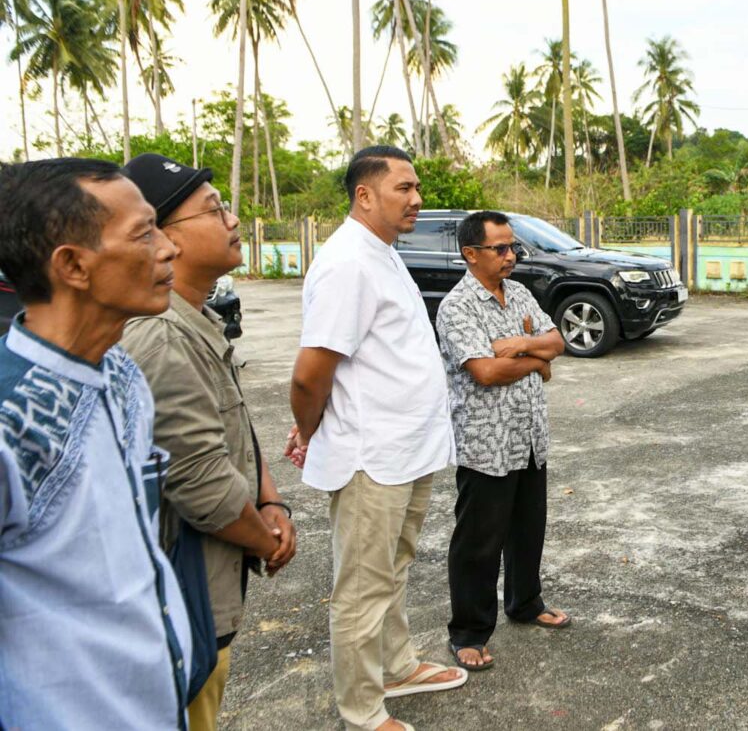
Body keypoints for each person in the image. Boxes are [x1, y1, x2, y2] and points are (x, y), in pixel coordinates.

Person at [0, 158, 192, 729]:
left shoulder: (122, 375)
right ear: (73, 266)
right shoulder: (12, 419)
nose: (168, 249)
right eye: (144, 232)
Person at [288, 146, 466, 731]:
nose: (417, 199)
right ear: (365, 195)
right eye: (404, 188)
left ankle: (396, 665)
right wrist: (308, 430)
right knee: (362, 587)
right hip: (372, 455)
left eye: (417, 188)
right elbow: (312, 370)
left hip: (408, 448)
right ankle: (361, 709)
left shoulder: (382, 253)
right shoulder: (346, 262)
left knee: (395, 566)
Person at [121, 153, 297, 731]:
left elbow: (235, 425)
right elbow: (198, 482)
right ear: (164, 236)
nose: (233, 219)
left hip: (216, 578)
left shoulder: (197, 318)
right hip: (187, 591)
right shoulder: (161, 334)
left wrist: (272, 500)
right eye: (214, 210)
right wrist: (264, 537)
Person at [437, 211, 570, 671]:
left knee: (528, 528)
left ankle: (525, 602)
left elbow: (557, 340)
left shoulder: (519, 293)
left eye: (513, 247)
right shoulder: (458, 306)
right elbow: (485, 371)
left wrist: (518, 344)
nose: (511, 256)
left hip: (529, 436)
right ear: (471, 254)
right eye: (500, 248)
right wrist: (535, 362)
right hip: (486, 444)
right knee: (478, 541)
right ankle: (469, 631)